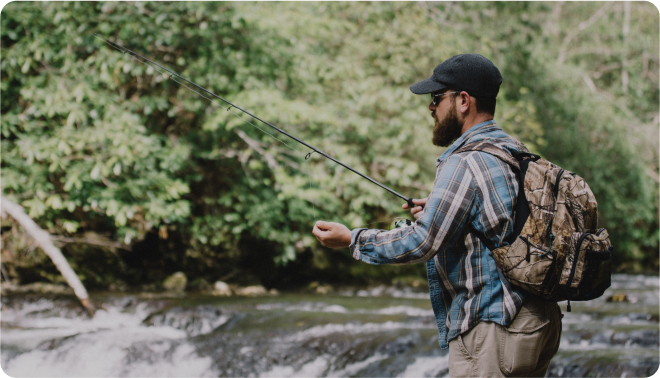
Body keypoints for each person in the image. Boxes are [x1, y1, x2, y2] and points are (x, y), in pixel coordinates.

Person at [312, 54, 562, 377]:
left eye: (436, 98)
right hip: (538, 322)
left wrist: (352, 239)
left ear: (462, 101)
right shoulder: (513, 149)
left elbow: (422, 240)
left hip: (495, 327)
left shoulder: (464, 162)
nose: (431, 107)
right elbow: (499, 219)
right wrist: (437, 206)